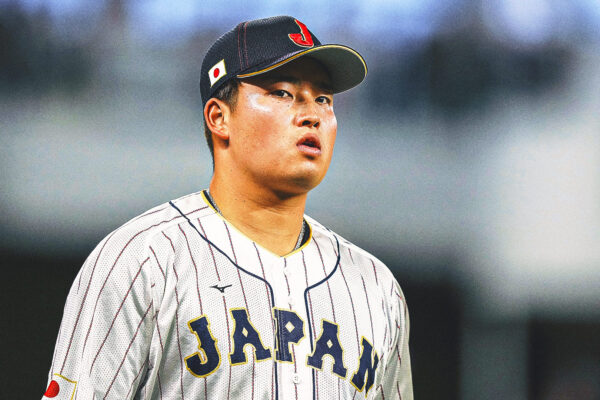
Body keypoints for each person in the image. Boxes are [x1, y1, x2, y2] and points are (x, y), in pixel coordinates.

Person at [42, 15, 413, 400]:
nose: (312, 114)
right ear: (219, 117)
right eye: (283, 93)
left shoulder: (377, 287)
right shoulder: (142, 260)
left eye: (323, 99)